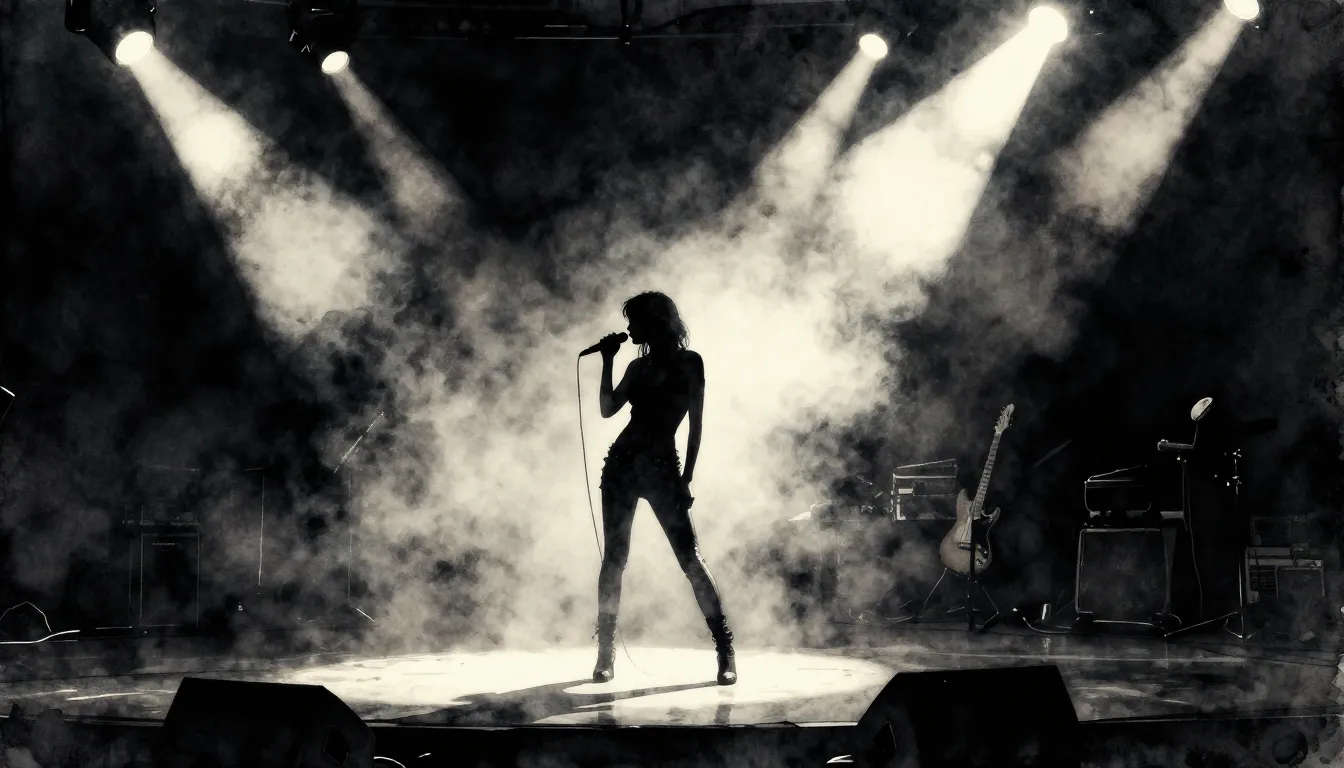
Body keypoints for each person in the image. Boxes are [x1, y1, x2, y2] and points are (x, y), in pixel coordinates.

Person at [590, 291, 736, 686]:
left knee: (690, 559)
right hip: (622, 467)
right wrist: (608, 360)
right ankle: (605, 653)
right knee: (614, 559)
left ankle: (725, 650)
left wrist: (686, 477)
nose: (628, 328)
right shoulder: (637, 367)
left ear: (653, 322)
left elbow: (696, 425)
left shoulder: (690, 363)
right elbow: (607, 408)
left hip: (662, 469)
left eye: (634, 320)